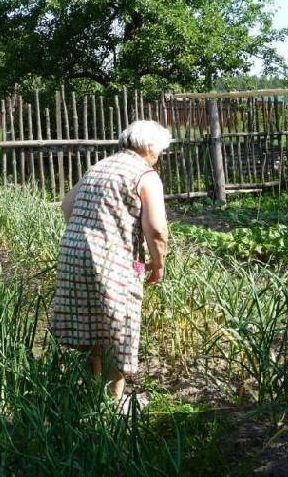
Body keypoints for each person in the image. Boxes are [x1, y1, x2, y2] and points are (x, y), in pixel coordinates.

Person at [50, 120, 171, 404]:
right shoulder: (145, 174)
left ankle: (96, 392)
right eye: (159, 151)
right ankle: (114, 402)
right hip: (112, 261)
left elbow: (67, 204)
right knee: (119, 327)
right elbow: (156, 229)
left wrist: (89, 234)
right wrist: (158, 263)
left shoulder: (100, 167)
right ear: (150, 148)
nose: (159, 157)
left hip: (73, 253)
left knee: (94, 325)